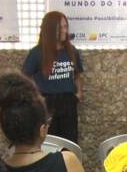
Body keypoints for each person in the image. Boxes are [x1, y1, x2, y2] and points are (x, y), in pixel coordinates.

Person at [22, 11, 84, 143]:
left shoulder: (72, 51)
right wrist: (37, 97)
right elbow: (25, 77)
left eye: (65, 27)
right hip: (47, 103)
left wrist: (78, 94)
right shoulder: (37, 53)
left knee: (70, 141)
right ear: (50, 29)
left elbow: (78, 75)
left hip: (68, 102)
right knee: (49, 142)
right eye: (60, 28)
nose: (64, 31)